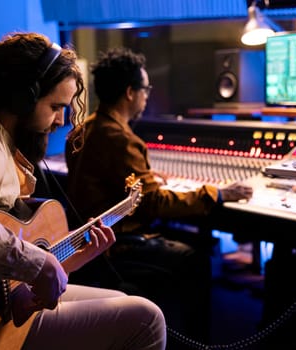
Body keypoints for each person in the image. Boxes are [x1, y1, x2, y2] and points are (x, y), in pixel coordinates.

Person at [0, 32, 166, 350]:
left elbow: (9, 270)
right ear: (23, 99)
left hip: (0, 306)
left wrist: (69, 260)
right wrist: (39, 263)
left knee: (120, 299)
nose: (61, 120)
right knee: (146, 318)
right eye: (56, 106)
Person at [64, 47, 253, 344]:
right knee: (195, 260)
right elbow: (152, 203)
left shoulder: (82, 130)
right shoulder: (121, 139)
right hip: (117, 246)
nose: (147, 95)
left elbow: (112, 183)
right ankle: (195, 341)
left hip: (87, 244)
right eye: (145, 88)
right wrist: (218, 193)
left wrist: (150, 178)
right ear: (130, 92)